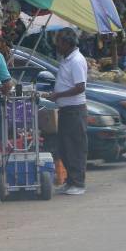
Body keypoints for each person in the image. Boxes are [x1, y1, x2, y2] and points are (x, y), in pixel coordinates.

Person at [47, 28, 88, 196]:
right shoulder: (66, 59)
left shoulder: (77, 60)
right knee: (65, 147)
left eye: (59, 43)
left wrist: (58, 95)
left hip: (74, 109)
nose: (57, 46)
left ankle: (78, 183)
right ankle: (70, 181)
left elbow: (80, 87)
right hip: (65, 109)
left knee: (75, 148)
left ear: (67, 43)